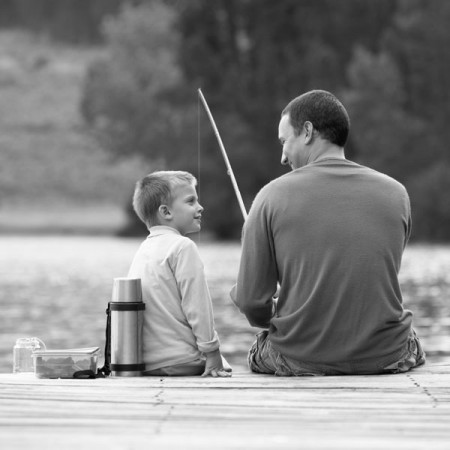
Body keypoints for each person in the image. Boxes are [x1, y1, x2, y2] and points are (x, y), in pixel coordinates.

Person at [232, 89, 425, 376]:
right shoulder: (397, 193)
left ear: (308, 131)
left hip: (300, 357)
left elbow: (250, 302)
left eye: (285, 141)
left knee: (260, 346)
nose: (283, 157)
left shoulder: (270, 196)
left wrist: (270, 311)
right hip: (387, 356)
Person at [128, 170, 231, 377]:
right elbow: (197, 306)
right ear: (166, 212)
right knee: (225, 365)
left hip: (148, 364)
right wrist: (212, 352)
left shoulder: (143, 250)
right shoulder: (183, 247)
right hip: (181, 360)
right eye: (191, 201)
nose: (200, 207)